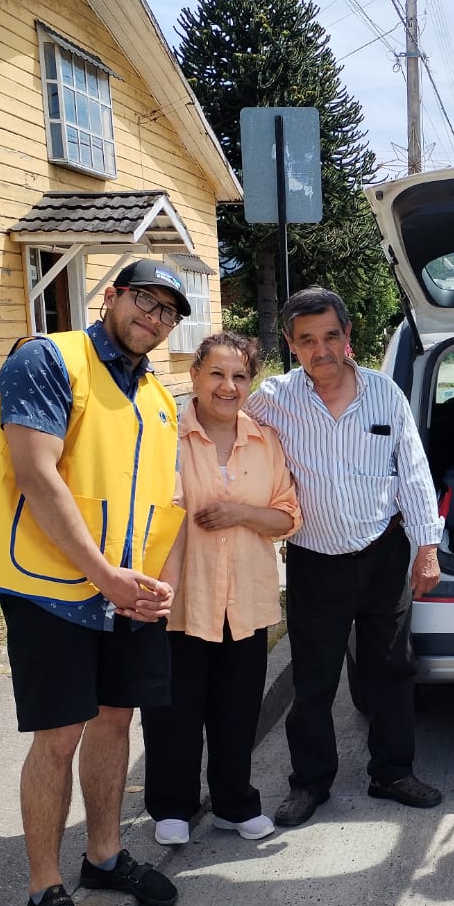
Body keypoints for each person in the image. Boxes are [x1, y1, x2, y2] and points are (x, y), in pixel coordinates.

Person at [0, 259, 191, 906]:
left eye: (168, 311)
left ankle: (104, 855)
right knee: (59, 735)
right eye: (144, 300)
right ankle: (45, 887)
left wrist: (156, 583)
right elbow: (35, 474)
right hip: (51, 588)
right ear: (111, 296)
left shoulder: (157, 396)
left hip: (127, 591)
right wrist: (103, 576)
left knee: (115, 722)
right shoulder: (47, 360)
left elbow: (163, 500)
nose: (153, 318)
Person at [245, 287, 445, 828]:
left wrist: (427, 549)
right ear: (291, 345)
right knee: (314, 679)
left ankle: (392, 772)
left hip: (383, 556)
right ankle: (310, 782)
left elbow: (414, 473)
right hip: (314, 561)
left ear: (348, 335)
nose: (322, 350)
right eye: (307, 340)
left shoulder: (385, 394)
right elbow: (224, 424)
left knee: (390, 670)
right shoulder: (273, 398)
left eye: (331, 336)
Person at [143, 331, 303, 846]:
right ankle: (172, 807)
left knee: (236, 710)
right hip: (182, 596)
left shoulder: (265, 440)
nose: (227, 386)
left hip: (246, 599)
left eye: (238, 376)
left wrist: (239, 513)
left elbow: (288, 516)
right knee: (174, 710)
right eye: (216, 373)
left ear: (250, 382)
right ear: (194, 376)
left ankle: (234, 805)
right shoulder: (166, 435)